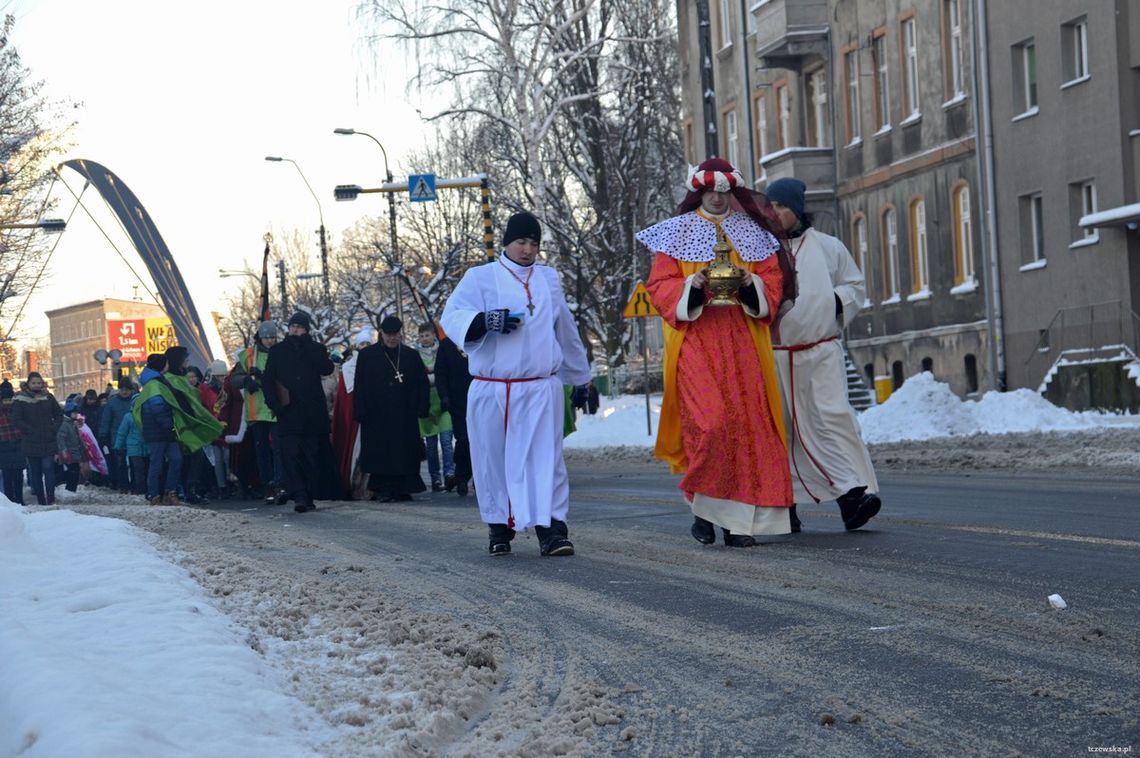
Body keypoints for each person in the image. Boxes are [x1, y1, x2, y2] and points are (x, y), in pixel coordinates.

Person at [637, 158, 793, 547]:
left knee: (748, 428)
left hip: (742, 340)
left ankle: (737, 524)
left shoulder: (751, 233)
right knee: (712, 426)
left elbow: (772, 281)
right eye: (710, 191)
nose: (718, 198)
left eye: (724, 192)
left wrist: (749, 281)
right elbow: (660, 286)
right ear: (698, 192)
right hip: (697, 340)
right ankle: (705, 507)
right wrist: (693, 283)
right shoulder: (675, 234)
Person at [440, 210, 591, 556]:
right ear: (508, 242)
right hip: (492, 386)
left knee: (545, 460)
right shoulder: (481, 277)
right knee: (492, 459)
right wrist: (485, 321)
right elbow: (453, 316)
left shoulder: (549, 279)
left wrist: (581, 379)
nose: (528, 249)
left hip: (540, 387)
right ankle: (499, 528)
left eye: (534, 243)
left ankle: (552, 531)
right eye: (522, 241)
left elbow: (565, 330)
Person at [764, 177, 882, 532]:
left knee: (833, 417)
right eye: (771, 206)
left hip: (821, 351)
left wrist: (834, 302)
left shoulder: (828, 247)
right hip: (776, 356)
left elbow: (854, 285)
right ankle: (786, 507)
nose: (776, 213)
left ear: (797, 209)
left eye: (783, 206)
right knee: (782, 432)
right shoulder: (761, 251)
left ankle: (856, 495)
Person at [262, 310, 336, 513]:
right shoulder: (278, 351)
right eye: (293, 326)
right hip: (288, 412)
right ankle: (299, 495)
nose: (296, 330)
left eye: (300, 327)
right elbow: (268, 380)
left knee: (311, 456)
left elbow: (326, 368)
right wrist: (275, 405)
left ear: (307, 330)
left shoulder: (315, 349)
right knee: (291, 455)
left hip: (312, 412)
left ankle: (309, 494)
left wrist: (310, 346)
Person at [353, 316, 430, 502]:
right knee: (382, 452)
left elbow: (422, 383)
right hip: (377, 412)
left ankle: (404, 488)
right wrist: (360, 409)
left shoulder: (411, 355)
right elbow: (360, 385)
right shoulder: (367, 356)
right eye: (388, 335)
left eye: (395, 334)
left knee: (404, 451)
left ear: (400, 334)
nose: (392, 338)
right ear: (381, 333)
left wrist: (422, 406)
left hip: (404, 412)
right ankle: (384, 489)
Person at [231, 321, 281, 503]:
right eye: (266, 337)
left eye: (272, 337)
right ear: (260, 337)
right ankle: (267, 483)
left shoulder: (281, 352)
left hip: (276, 408)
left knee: (278, 448)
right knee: (262, 451)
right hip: (257, 410)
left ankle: (279, 483)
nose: (269, 340)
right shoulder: (248, 355)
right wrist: (245, 380)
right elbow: (234, 378)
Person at [330, 327, 374, 499]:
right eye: (361, 344)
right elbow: (345, 397)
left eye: (367, 343)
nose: (364, 346)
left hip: (373, 414)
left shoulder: (376, 363)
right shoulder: (348, 368)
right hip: (356, 417)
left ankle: (369, 486)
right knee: (356, 450)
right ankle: (354, 485)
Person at [11, 372, 63, 505]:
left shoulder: (48, 397)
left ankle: (50, 497)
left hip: (48, 438)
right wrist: (28, 430)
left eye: (39, 383)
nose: (36, 385)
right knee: (36, 471)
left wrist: (54, 428)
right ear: (28, 383)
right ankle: (41, 498)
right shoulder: (20, 399)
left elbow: (58, 414)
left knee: (48, 468)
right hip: (31, 440)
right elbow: (16, 419)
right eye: (34, 383)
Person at [414, 322, 455, 492]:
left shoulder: (442, 351)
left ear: (434, 335)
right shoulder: (415, 355)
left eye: (427, 335)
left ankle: (449, 474)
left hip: (442, 401)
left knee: (446, 441)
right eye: (422, 336)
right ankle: (435, 478)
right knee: (431, 445)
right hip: (426, 403)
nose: (425, 338)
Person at [434, 333, 473, 497]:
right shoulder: (446, 345)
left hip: (481, 398)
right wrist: (444, 396)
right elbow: (440, 373)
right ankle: (461, 476)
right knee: (463, 439)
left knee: (482, 441)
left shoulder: (479, 338)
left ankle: (480, 477)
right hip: (458, 401)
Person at [98, 379, 137, 493]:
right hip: (117, 438)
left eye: (127, 390)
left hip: (134, 437)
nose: (125, 392)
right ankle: (123, 485)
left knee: (135, 463)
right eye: (123, 389)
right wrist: (103, 435)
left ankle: (135, 485)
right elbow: (106, 420)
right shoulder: (112, 403)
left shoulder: (135, 401)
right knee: (120, 463)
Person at [0, 380, 24, 503]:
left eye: (10, 400)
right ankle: (10, 500)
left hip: (18, 444)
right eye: (5, 400)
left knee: (18, 475)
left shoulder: (17, 410)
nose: (8, 403)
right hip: (3, 446)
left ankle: (20, 499)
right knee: (7, 475)